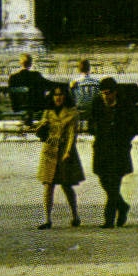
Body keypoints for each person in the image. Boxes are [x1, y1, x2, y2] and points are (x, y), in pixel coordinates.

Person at [90, 77, 138, 227]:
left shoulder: (125, 105)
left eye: (108, 93)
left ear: (115, 92)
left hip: (119, 149)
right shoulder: (97, 103)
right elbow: (90, 123)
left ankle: (109, 219)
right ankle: (122, 206)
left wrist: (125, 137)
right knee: (104, 180)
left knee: (114, 183)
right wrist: (97, 131)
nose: (106, 96)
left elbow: (136, 125)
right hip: (102, 148)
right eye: (103, 93)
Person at [35, 84, 83, 229]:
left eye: (61, 95)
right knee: (48, 184)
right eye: (56, 95)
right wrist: (41, 126)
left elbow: (72, 134)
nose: (58, 98)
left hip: (64, 150)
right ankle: (47, 219)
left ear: (65, 96)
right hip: (49, 149)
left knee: (66, 185)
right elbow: (40, 130)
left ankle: (75, 215)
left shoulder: (72, 112)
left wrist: (68, 151)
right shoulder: (48, 111)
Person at [7, 53, 49, 125]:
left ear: (20, 63)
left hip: (18, 105)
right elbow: (44, 87)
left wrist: (15, 104)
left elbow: (11, 94)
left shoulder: (13, 77)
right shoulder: (36, 75)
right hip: (34, 105)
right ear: (30, 64)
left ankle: (26, 119)